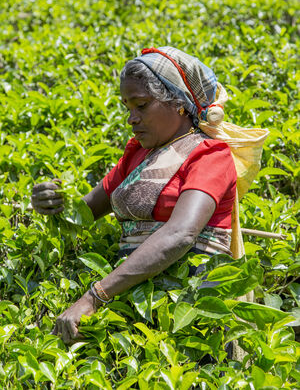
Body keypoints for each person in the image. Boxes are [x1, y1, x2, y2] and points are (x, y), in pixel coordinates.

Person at [31, 46, 240, 345]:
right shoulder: (138, 155)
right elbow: (82, 215)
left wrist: (94, 296)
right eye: (127, 107)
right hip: (129, 299)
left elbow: (180, 234)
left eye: (141, 106)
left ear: (179, 104)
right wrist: (50, 202)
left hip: (188, 308)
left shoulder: (209, 156)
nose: (132, 119)